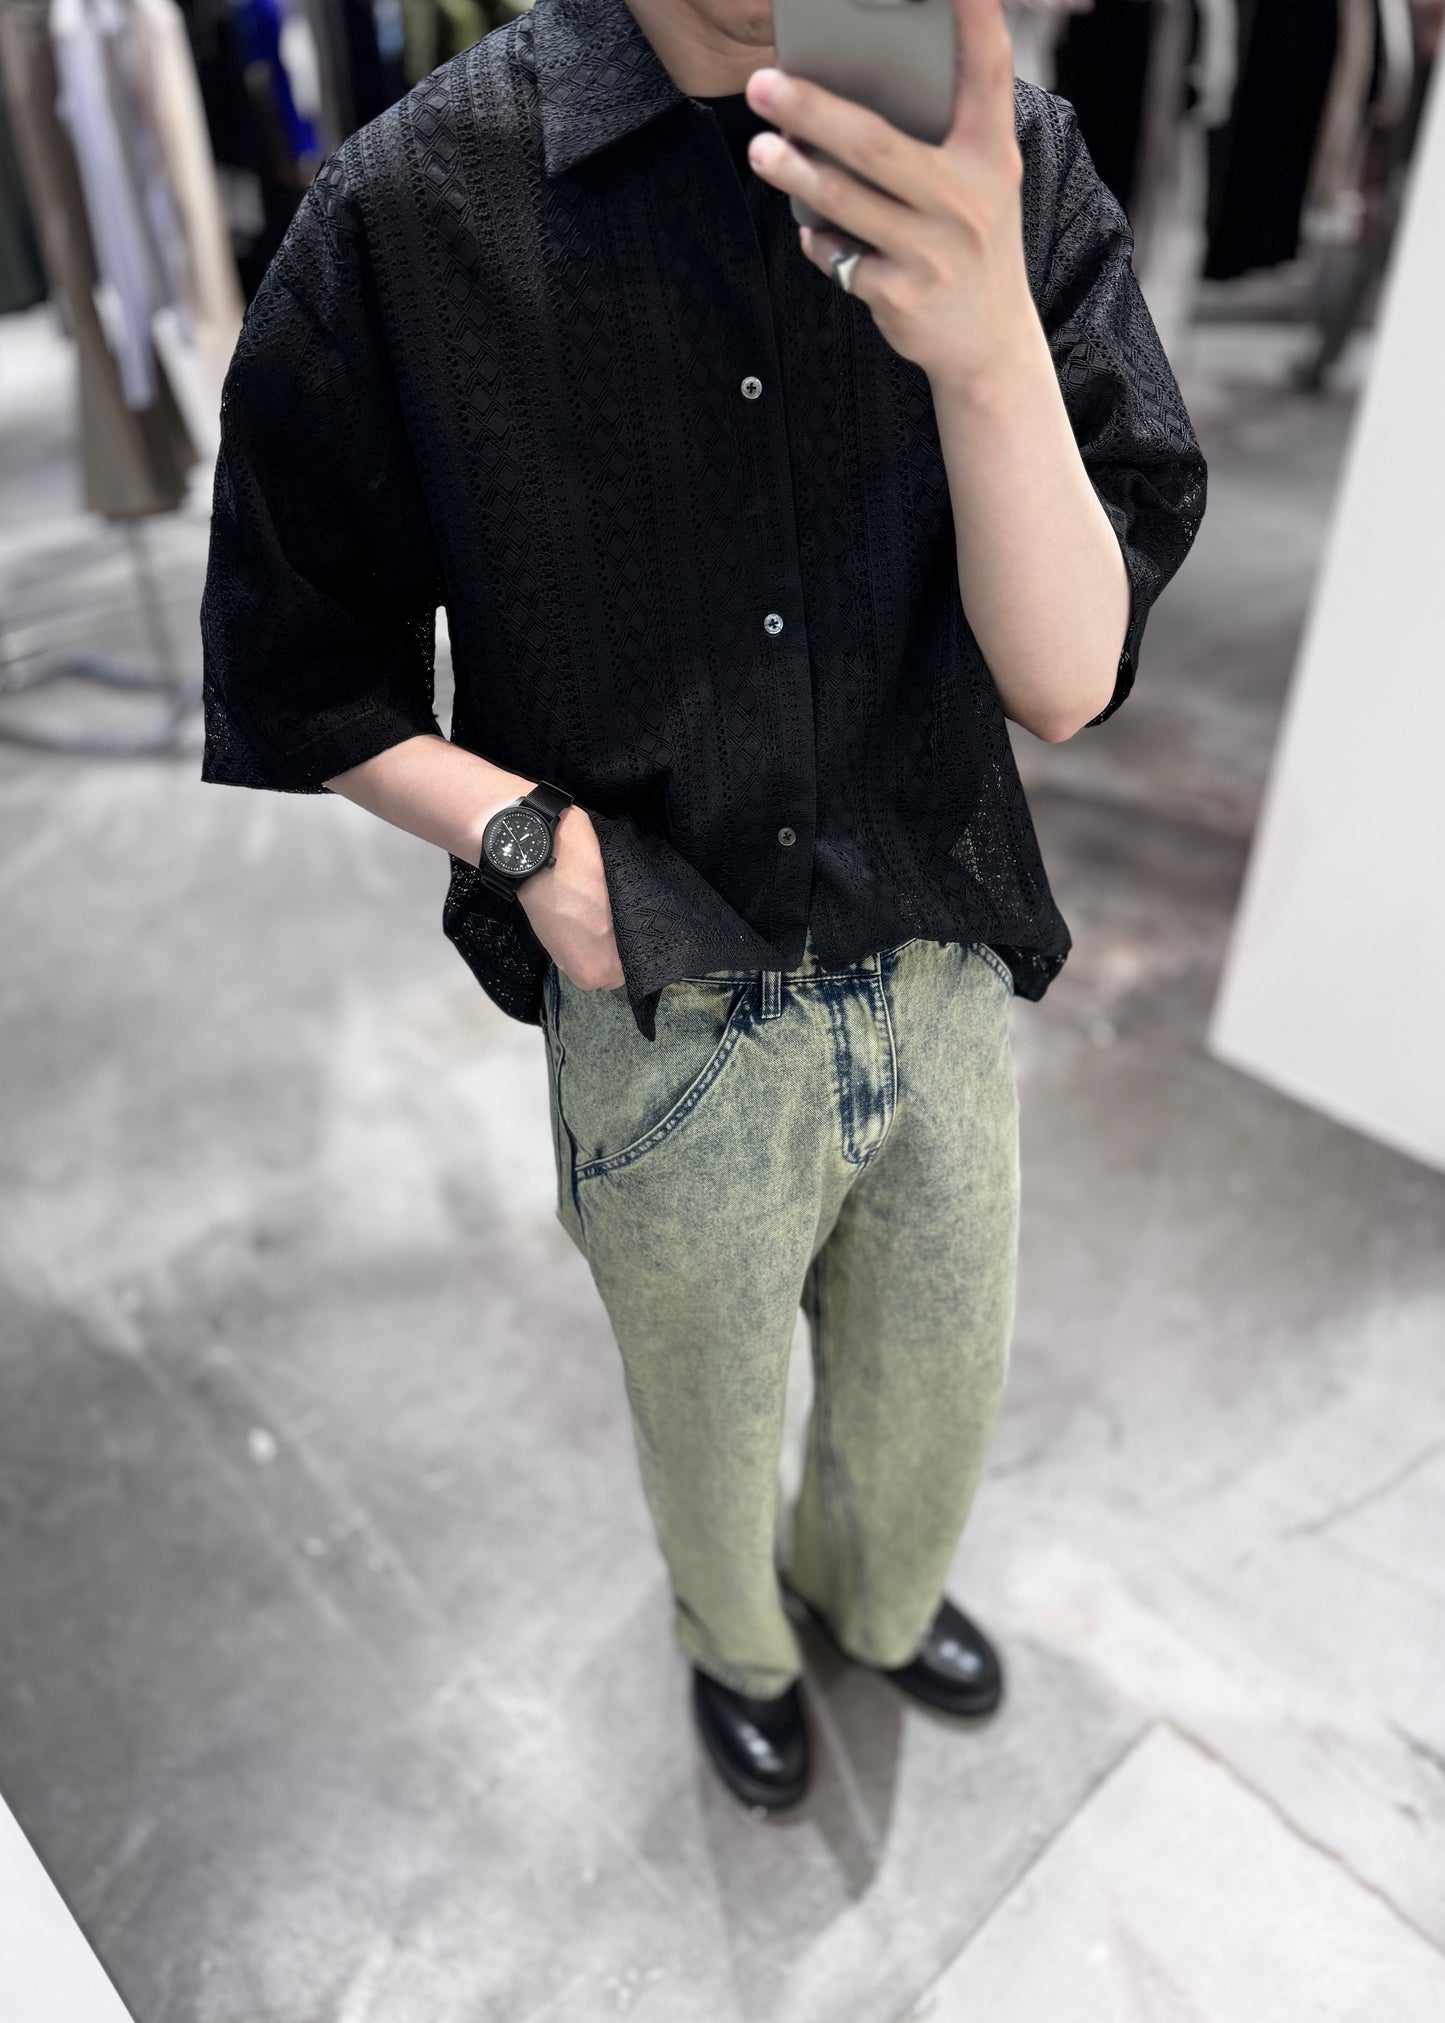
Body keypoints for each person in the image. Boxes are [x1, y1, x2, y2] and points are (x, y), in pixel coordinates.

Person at [199, 0, 1206, 1811]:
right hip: (658, 988)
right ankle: (735, 1647)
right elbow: (299, 668)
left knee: (931, 1395)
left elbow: (1064, 681)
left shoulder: (1007, 162)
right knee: (705, 1414)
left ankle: (877, 1605)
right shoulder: (415, 209)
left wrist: (986, 348)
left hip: (933, 948)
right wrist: (524, 845)